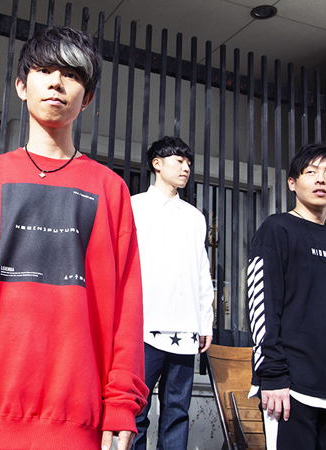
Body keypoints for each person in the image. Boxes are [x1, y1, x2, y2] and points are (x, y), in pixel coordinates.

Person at [0, 25, 148, 450]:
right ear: (21, 87)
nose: (57, 82)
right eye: (44, 71)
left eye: (71, 74)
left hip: (76, 418)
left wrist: (121, 403)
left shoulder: (110, 189)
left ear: (87, 98)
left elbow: (127, 307)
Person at [247, 141, 326, 449]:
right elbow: (263, 305)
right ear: (292, 182)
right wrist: (272, 375)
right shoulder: (277, 229)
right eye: (311, 172)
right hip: (292, 390)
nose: (321, 179)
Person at [130, 136, 214, 450]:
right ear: (157, 163)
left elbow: (202, 272)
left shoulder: (195, 217)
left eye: (188, 163)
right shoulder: (135, 207)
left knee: (177, 410)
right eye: (179, 161)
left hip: (186, 329)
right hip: (144, 326)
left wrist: (205, 322)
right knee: (136, 409)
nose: (186, 168)